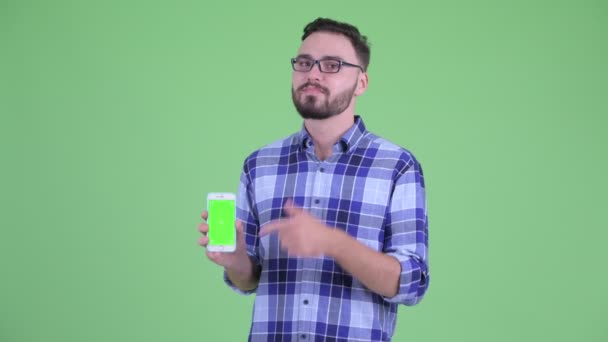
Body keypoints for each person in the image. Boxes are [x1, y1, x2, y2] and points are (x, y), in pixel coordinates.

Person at [198, 17, 429, 341]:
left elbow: (412, 283)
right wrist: (235, 261)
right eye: (305, 63)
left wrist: (331, 242)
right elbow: (249, 280)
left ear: (361, 82)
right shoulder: (259, 164)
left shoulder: (397, 166)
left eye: (332, 65)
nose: (313, 74)